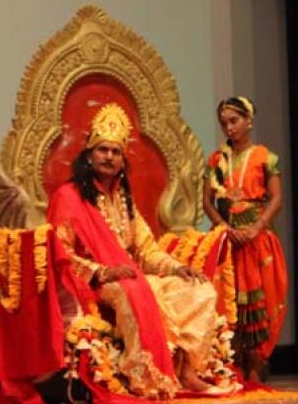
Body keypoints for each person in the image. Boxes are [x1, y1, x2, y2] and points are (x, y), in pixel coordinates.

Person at [47, 103, 220, 398]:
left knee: (199, 291)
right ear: (89, 155)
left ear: (122, 161)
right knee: (131, 290)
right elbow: (60, 254)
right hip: (94, 283)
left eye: (115, 152)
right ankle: (144, 378)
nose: (109, 157)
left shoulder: (123, 200)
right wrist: (102, 271)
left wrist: (177, 268)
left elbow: (147, 250)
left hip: (131, 276)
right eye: (103, 150)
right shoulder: (69, 196)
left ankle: (186, 369)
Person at [202, 96, 287, 382]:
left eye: (234, 121)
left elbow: (276, 198)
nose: (229, 127)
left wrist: (256, 228)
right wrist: (225, 227)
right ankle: (232, 365)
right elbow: (207, 202)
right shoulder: (216, 160)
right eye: (224, 123)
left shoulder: (265, 157)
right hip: (228, 241)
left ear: (249, 121)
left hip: (257, 240)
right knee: (229, 302)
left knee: (259, 302)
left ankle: (255, 365)